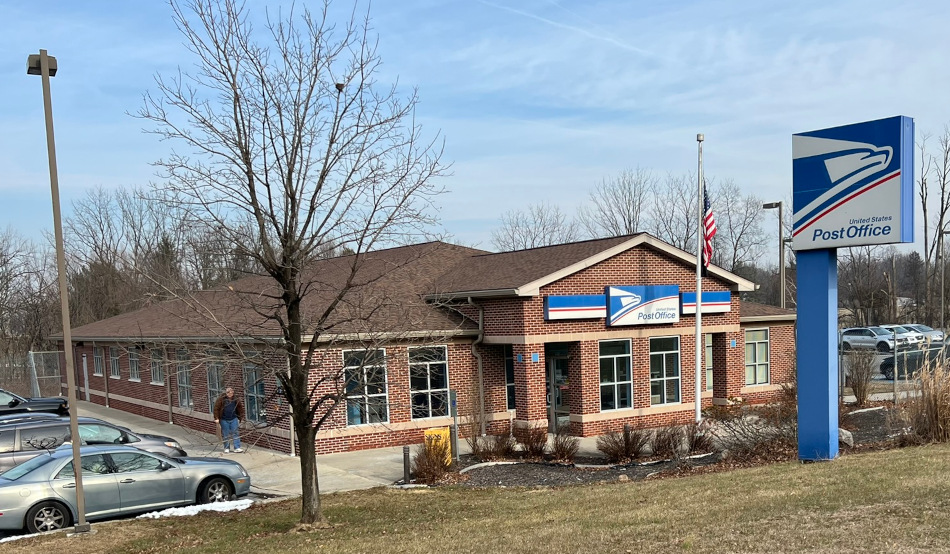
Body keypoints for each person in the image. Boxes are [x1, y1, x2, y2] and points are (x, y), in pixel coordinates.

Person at [213, 387, 245, 453]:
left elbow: (240, 408)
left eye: (231, 393)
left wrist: (240, 417)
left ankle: (237, 447)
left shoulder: (236, 399)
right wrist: (216, 418)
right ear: (226, 393)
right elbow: (216, 409)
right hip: (224, 419)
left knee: (235, 433)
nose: (230, 394)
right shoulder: (221, 399)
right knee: (225, 434)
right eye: (228, 393)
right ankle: (226, 447)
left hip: (234, 418)